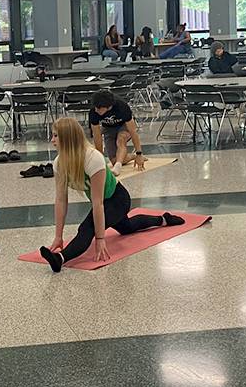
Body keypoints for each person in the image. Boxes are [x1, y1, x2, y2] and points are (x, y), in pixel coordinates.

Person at [37, 118, 185, 272]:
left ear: (68, 138)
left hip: (118, 200)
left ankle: (59, 258)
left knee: (86, 228)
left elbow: (98, 203)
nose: (52, 140)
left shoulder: (92, 158)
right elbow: (61, 200)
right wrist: (58, 236)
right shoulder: (59, 163)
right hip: (105, 203)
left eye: (56, 136)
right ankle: (164, 219)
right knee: (127, 227)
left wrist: (100, 238)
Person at [89, 90, 145, 176]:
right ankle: (130, 157)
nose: (96, 110)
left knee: (121, 139)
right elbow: (97, 136)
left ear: (109, 107)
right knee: (114, 160)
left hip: (124, 125)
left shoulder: (122, 106)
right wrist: (100, 160)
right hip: (108, 128)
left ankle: (118, 167)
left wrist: (139, 153)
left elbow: (133, 132)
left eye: (99, 108)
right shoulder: (94, 111)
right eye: (95, 108)